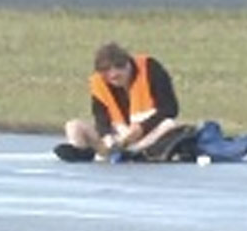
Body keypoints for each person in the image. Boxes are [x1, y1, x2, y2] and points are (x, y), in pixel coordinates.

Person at [55, 42, 184, 163]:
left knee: (169, 124)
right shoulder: (99, 83)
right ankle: (80, 151)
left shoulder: (150, 68)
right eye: (106, 71)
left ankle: (133, 152)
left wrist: (142, 128)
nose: (114, 75)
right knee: (73, 126)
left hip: (149, 131)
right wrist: (107, 136)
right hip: (118, 134)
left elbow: (170, 109)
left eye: (119, 68)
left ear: (129, 64)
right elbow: (101, 117)